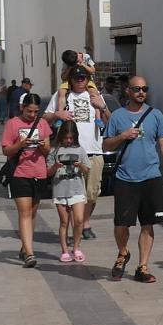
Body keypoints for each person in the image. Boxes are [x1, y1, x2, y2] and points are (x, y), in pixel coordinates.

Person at [104, 75, 163, 282]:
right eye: (137, 89)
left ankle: (142, 267)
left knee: (148, 223)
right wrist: (122, 136)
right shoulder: (117, 116)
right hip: (125, 178)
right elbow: (106, 145)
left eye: (144, 89)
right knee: (121, 224)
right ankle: (123, 252)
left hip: (151, 176)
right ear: (128, 91)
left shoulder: (156, 115)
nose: (141, 92)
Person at [49, 65, 109, 230]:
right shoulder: (62, 95)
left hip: (94, 152)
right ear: (71, 80)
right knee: (70, 194)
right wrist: (57, 114)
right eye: (77, 78)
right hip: (69, 153)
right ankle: (76, 227)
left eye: (83, 77)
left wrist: (103, 107)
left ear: (88, 79)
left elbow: (111, 121)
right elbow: (45, 117)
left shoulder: (96, 95)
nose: (80, 80)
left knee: (92, 192)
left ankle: (83, 222)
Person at [1, 92, 53, 267]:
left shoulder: (43, 124)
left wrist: (43, 146)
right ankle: (30, 254)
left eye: (36, 111)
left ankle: (25, 246)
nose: (32, 115)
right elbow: (6, 150)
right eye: (29, 111)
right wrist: (20, 145)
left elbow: (48, 150)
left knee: (32, 212)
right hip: (19, 173)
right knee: (24, 213)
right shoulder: (12, 124)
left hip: (39, 173)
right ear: (22, 108)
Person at [49, 119, 92, 264]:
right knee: (64, 222)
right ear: (61, 136)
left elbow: (87, 170)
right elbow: (48, 172)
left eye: (71, 138)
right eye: (66, 138)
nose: (68, 141)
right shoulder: (55, 151)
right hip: (60, 190)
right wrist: (55, 167)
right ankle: (64, 251)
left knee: (79, 220)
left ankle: (76, 248)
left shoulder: (80, 150)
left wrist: (80, 166)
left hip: (77, 189)